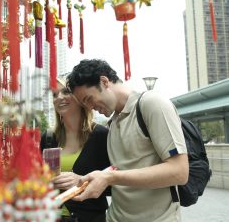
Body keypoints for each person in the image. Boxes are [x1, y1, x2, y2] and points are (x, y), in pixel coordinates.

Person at [66, 59, 189, 222]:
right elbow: (123, 168)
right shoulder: (113, 123)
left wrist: (110, 178)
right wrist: (85, 180)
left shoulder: (152, 104)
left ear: (104, 82)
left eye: (89, 99)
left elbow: (179, 172)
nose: (89, 107)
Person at [40, 77, 111, 222]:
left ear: (79, 97)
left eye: (65, 92)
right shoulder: (48, 138)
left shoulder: (101, 135)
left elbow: (114, 184)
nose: (59, 97)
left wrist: (82, 182)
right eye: (54, 94)